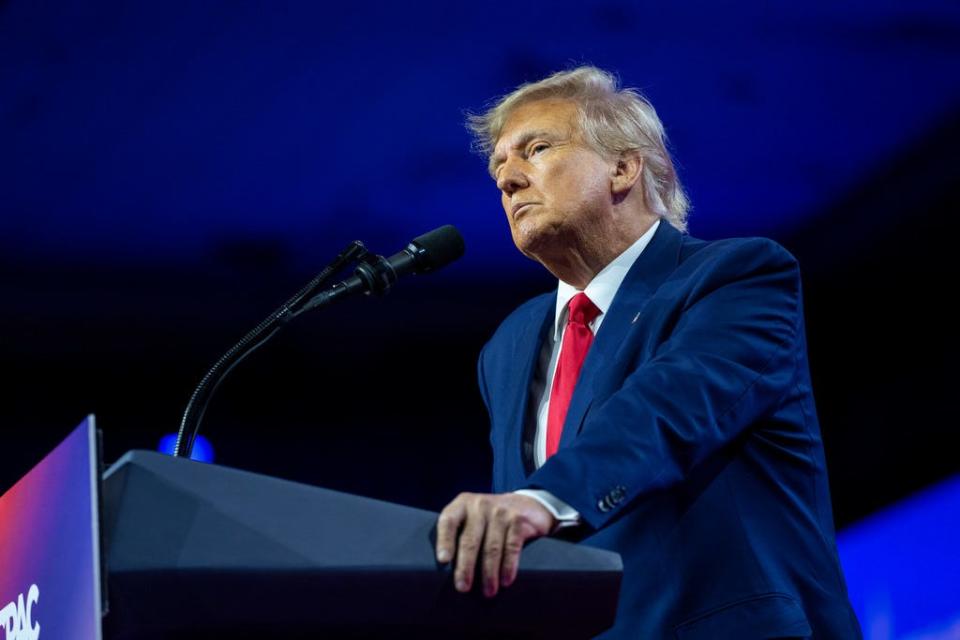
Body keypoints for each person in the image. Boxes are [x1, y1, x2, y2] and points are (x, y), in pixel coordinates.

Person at [434, 66, 862, 638]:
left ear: (623, 166)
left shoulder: (736, 277)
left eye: (535, 149)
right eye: (499, 168)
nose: (508, 180)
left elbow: (667, 410)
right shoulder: (508, 347)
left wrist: (545, 499)